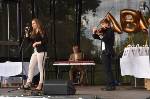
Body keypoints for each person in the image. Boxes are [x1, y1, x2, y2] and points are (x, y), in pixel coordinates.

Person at [23, 18, 48, 90]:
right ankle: (28, 82)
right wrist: (27, 34)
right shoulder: (33, 32)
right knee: (31, 66)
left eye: (34, 23)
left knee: (41, 67)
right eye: (32, 24)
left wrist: (37, 43)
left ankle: (41, 84)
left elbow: (46, 40)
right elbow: (29, 41)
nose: (32, 25)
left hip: (42, 51)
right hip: (35, 51)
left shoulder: (42, 31)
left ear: (37, 23)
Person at [92, 19, 116, 91]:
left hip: (107, 52)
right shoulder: (104, 31)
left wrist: (100, 34)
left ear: (107, 24)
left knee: (108, 69)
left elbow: (105, 39)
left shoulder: (110, 30)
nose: (102, 26)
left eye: (102, 24)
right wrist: (94, 32)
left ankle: (111, 86)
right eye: (101, 24)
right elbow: (96, 37)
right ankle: (108, 85)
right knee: (106, 69)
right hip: (104, 52)